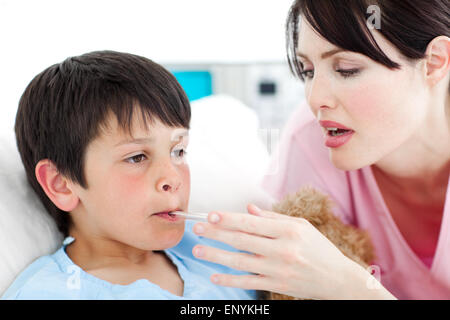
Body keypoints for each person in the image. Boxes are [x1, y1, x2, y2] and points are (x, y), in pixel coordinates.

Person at [190, 0, 450, 300]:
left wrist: (350, 288)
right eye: (308, 71)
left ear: (435, 62)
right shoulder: (313, 137)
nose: (315, 100)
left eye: (346, 69)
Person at [1, 50, 256, 300]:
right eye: (137, 157)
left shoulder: (222, 251)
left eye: (178, 151)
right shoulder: (47, 294)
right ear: (62, 184)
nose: (172, 178)